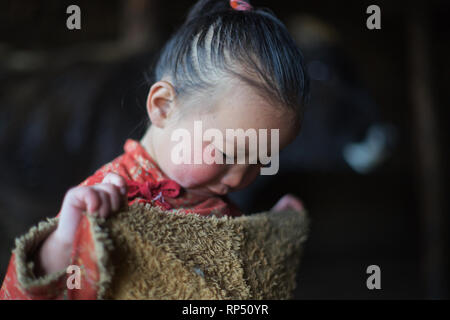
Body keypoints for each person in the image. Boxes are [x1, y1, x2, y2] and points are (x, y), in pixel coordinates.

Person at [0, 0, 309, 299]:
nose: (239, 178)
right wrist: (65, 239)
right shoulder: (109, 203)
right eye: (227, 154)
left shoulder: (215, 202)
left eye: (261, 160)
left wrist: (268, 238)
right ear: (162, 106)